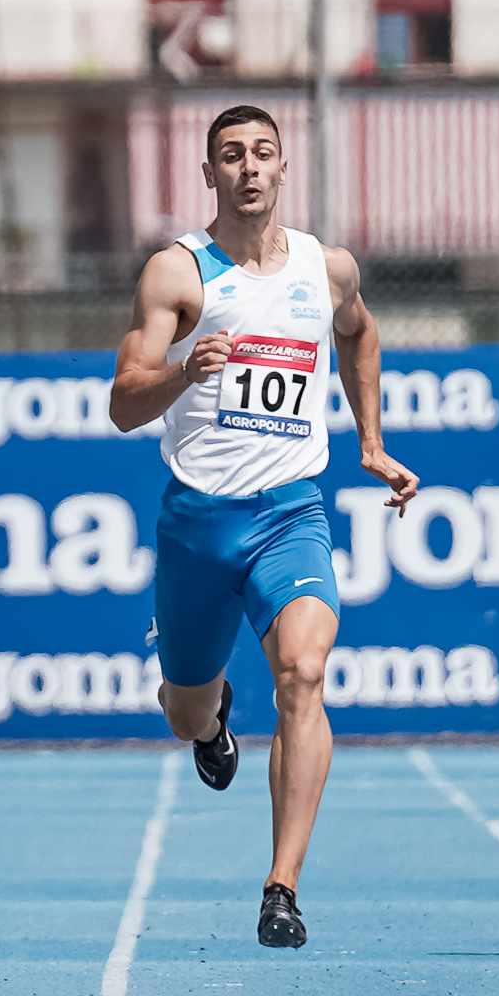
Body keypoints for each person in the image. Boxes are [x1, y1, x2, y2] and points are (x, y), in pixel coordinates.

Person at [106, 104, 418, 950]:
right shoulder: (179, 274)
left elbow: (359, 333)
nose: (249, 167)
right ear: (209, 173)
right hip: (198, 525)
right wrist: (181, 374)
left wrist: (372, 442)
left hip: (289, 513)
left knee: (305, 673)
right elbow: (123, 402)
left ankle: (282, 886)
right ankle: (212, 720)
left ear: (284, 167)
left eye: (263, 153)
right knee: (182, 711)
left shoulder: (328, 267)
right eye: (232, 155)